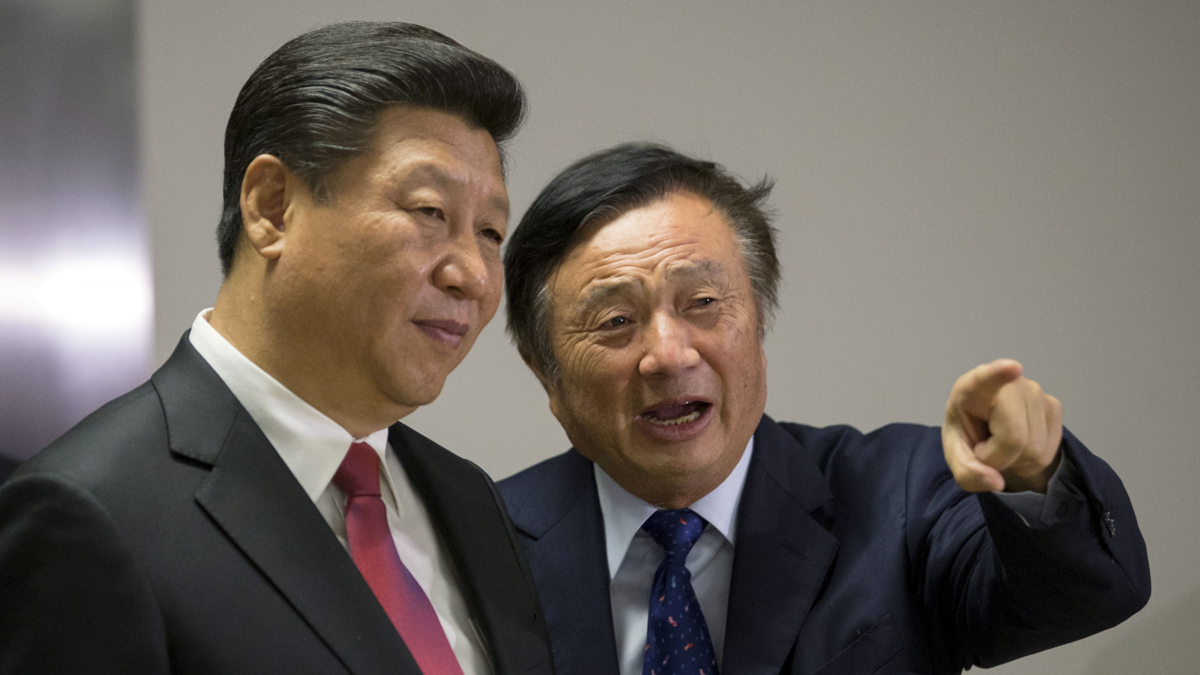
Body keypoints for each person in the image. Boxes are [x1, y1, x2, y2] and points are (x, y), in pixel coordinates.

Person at [0, 22, 552, 675]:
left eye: (490, 232)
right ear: (272, 207)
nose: (475, 276)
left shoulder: (470, 499)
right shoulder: (90, 511)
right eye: (430, 211)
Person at [497, 142, 1150, 675]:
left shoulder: (898, 494)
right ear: (545, 371)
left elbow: (1085, 596)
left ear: (758, 321)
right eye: (615, 321)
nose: (669, 354)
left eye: (703, 303)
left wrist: (1034, 472)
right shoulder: (480, 545)